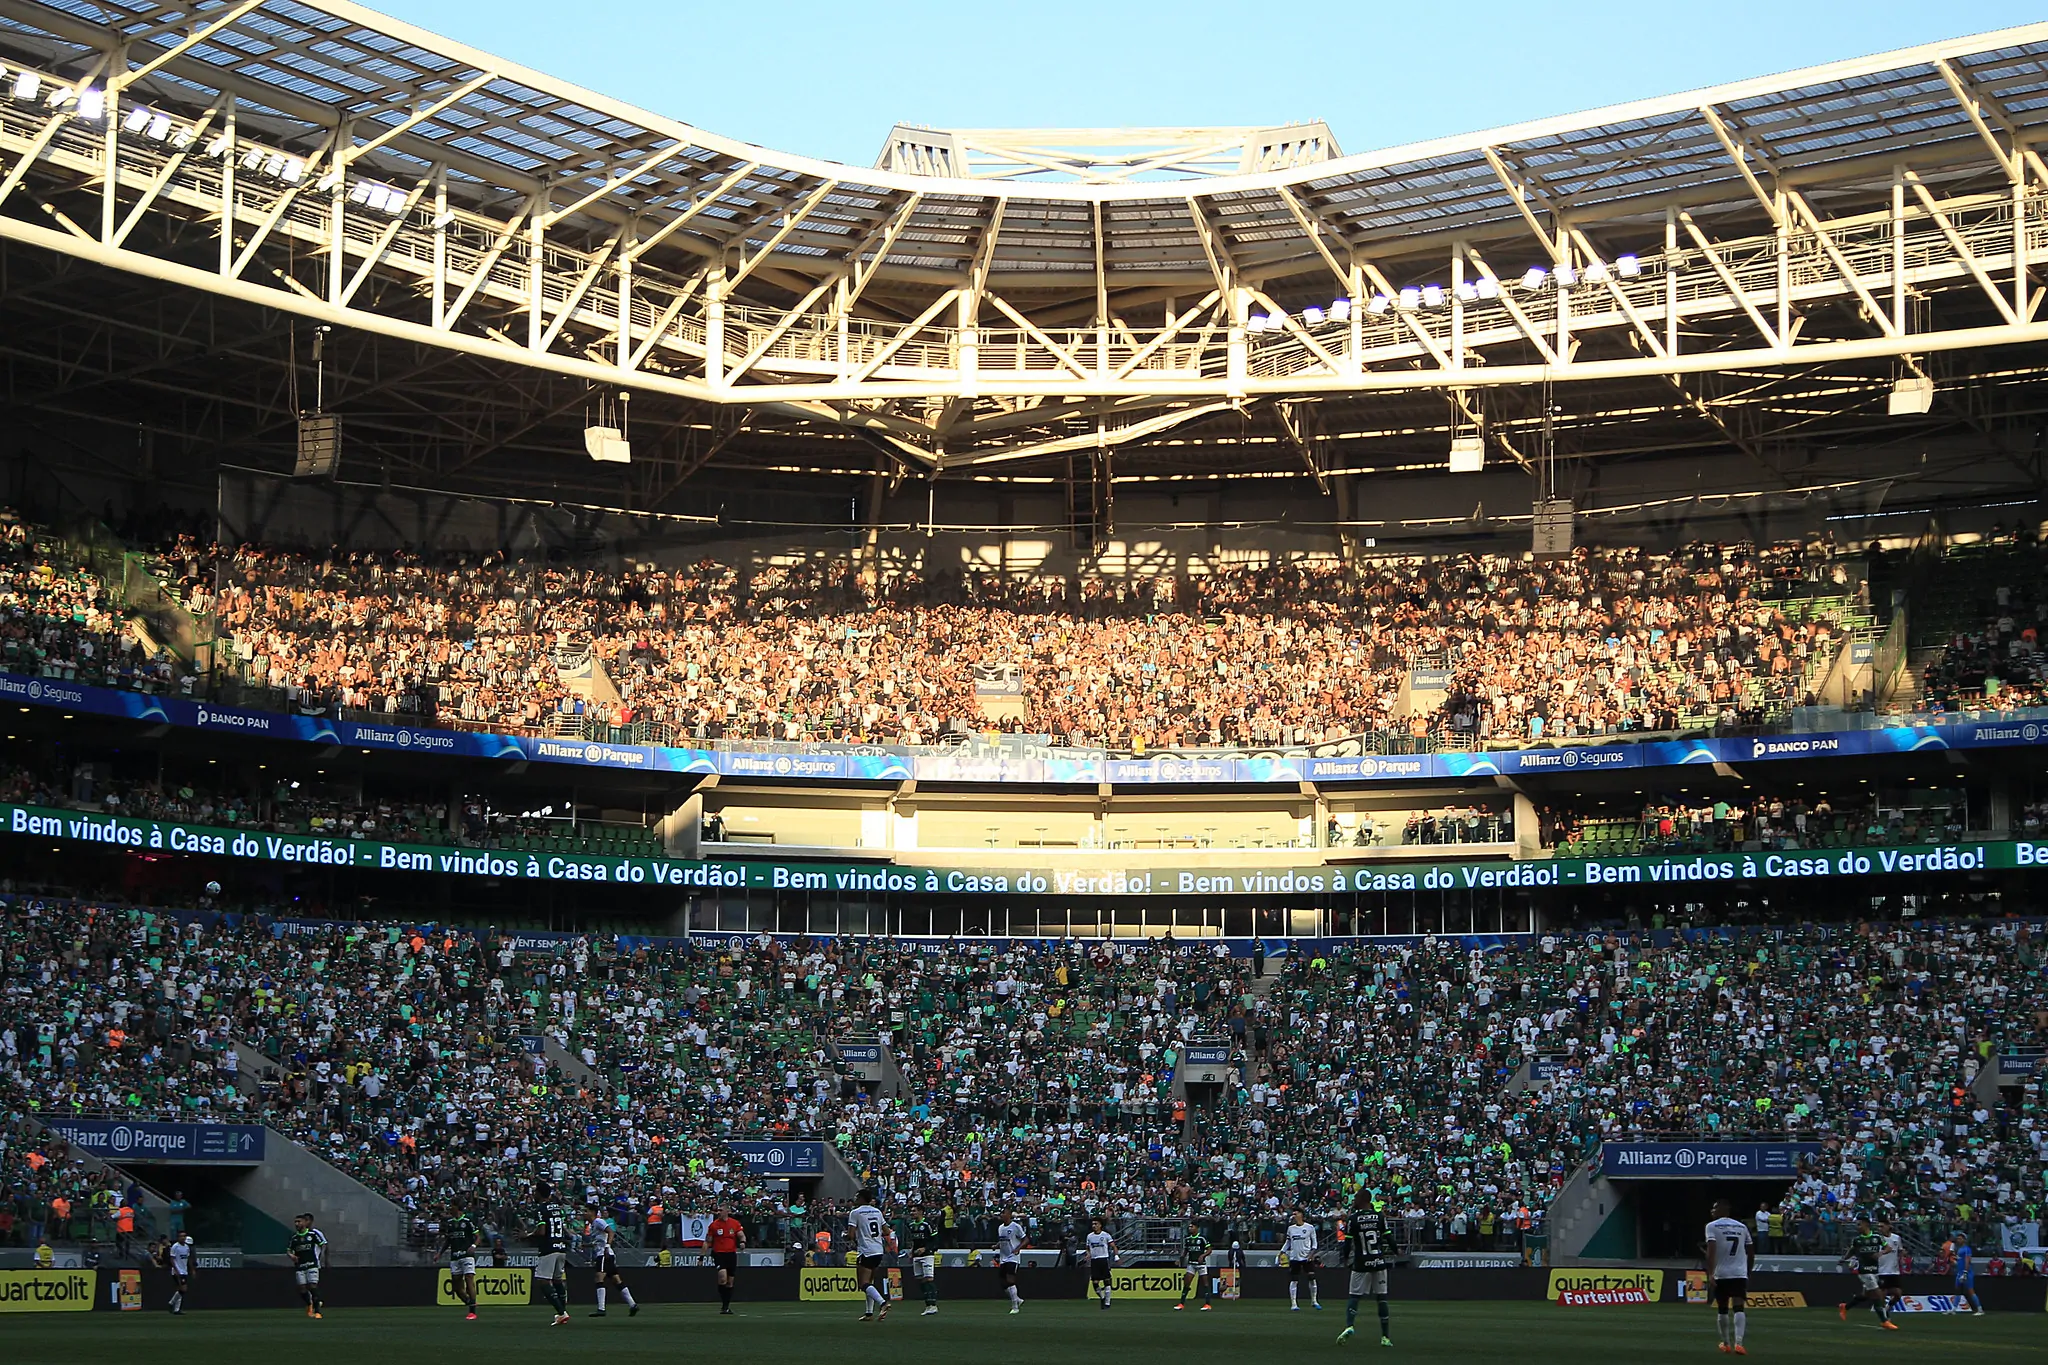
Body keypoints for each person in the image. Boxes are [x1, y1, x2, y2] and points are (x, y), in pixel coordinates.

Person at [1336, 1190, 1394, 1347]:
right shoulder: (1379, 1216)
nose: (1353, 1200)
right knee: (1381, 1298)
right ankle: (1385, 1337)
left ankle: (1349, 1325)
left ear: (1362, 1200)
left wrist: (1345, 1258)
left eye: (1356, 1198)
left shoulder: (1353, 1219)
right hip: (1378, 1261)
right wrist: (1396, 1251)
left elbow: (1348, 1243)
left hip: (1361, 1263)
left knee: (1354, 1296)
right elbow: (1388, 1237)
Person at [1703, 1199, 1752, 1355]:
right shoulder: (1742, 1227)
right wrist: (1747, 1271)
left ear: (1722, 1211)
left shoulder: (1711, 1226)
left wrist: (1710, 1273)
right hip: (1739, 1272)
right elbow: (1751, 1251)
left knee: (1722, 1308)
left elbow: (1711, 1250)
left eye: (1714, 1208)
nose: (1712, 1211)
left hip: (1721, 1273)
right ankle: (1739, 1343)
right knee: (1739, 1307)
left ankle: (1726, 1343)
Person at [1838, 1219, 1897, 1330]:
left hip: (1874, 1270)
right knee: (1878, 1294)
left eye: (1859, 1224)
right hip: (1864, 1271)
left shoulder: (1877, 1238)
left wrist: (1880, 1253)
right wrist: (1843, 1259)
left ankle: (1845, 1307)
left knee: (1866, 1295)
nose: (1857, 1227)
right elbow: (1852, 1250)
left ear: (1866, 1225)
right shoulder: (1857, 1240)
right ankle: (1884, 1321)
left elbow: (1888, 1248)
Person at [848, 1188, 892, 1322]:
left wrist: (848, 1235)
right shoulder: (877, 1211)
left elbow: (850, 1235)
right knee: (869, 1283)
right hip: (878, 1250)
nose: (855, 1199)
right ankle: (869, 1313)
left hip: (866, 1251)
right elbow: (887, 1231)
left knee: (863, 1283)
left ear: (861, 1199)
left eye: (857, 1197)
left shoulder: (855, 1213)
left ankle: (883, 1303)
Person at [534, 1182, 574, 1327]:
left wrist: (526, 1236)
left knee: (543, 1281)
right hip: (561, 1247)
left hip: (548, 1248)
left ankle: (562, 1312)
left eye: (535, 1192)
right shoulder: (557, 1207)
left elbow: (542, 1231)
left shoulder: (541, 1209)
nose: (534, 1194)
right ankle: (562, 1312)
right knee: (557, 1280)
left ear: (539, 1193)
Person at [587, 1206, 638, 1318]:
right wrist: (587, 1245)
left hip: (604, 1254)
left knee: (599, 1278)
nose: (584, 1213)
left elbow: (611, 1231)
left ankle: (601, 1308)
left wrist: (607, 1246)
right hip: (607, 1254)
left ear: (592, 1212)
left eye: (586, 1211)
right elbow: (599, 1240)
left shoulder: (598, 1221)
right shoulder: (593, 1225)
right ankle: (632, 1304)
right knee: (616, 1280)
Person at [443, 1202, 481, 1320]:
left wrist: (474, 1246)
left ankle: (472, 1311)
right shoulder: (449, 1224)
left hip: (467, 1255)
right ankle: (469, 1301)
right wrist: (439, 1253)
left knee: (469, 1278)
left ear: (458, 1209)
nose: (450, 1209)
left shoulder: (467, 1222)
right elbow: (447, 1241)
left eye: (452, 1207)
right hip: (455, 1257)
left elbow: (478, 1237)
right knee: (457, 1287)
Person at [707, 1205, 745, 1316]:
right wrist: (702, 1255)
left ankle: (726, 1306)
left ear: (727, 1211)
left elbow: (741, 1235)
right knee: (722, 1278)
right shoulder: (714, 1225)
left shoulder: (734, 1223)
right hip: (719, 1253)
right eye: (718, 1210)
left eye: (720, 1210)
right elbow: (708, 1241)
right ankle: (724, 1304)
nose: (718, 1212)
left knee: (730, 1282)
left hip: (731, 1254)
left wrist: (742, 1242)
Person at [289, 1213, 328, 1320]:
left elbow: (323, 1244)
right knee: (302, 1288)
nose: (299, 1223)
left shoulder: (315, 1233)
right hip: (301, 1264)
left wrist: (323, 1258)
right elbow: (290, 1249)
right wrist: (292, 1255)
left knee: (312, 1286)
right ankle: (311, 1303)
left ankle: (316, 1309)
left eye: (303, 1221)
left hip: (313, 1263)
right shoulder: (295, 1237)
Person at [1284, 1208, 1322, 1312]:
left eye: (1295, 1214)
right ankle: (1294, 1304)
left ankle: (1314, 1301)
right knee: (1294, 1280)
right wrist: (1282, 1251)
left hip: (1306, 1257)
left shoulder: (1309, 1228)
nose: (1294, 1216)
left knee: (1312, 1277)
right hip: (1294, 1257)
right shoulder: (1291, 1229)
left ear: (1301, 1215)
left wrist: (1311, 1254)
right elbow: (1288, 1242)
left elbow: (1314, 1243)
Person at [909, 1208, 942, 1316]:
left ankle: (933, 1304)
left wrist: (925, 1248)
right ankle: (928, 1304)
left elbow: (936, 1240)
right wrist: (911, 1251)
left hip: (927, 1255)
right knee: (920, 1280)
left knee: (929, 1278)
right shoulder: (911, 1225)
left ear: (920, 1212)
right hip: (916, 1256)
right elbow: (914, 1241)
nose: (912, 1213)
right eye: (911, 1211)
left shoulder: (928, 1224)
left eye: (914, 1211)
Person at [995, 1209, 1028, 1314]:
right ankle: (1017, 1299)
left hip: (1013, 1257)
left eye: (1003, 1213)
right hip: (1003, 1258)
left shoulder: (1015, 1226)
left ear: (1009, 1215)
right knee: (1003, 1283)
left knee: (1010, 1280)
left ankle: (1015, 1306)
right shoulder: (1000, 1228)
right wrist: (996, 1245)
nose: (1002, 1215)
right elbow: (1002, 1241)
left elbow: (1026, 1239)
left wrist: (1018, 1248)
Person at [1176, 1222, 1211, 1311]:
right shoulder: (1187, 1239)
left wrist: (1202, 1256)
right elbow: (1185, 1251)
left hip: (1201, 1265)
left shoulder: (1202, 1238)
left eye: (1192, 1227)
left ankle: (1207, 1304)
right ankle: (1181, 1304)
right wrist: (1180, 1259)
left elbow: (1209, 1250)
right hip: (1191, 1264)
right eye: (1189, 1227)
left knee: (1205, 1284)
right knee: (1187, 1283)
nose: (1190, 1228)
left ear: (1197, 1228)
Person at [1085, 1216, 1115, 1310]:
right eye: (1093, 1224)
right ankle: (1102, 1297)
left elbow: (1113, 1246)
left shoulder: (1106, 1235)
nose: (1094, 1226)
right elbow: (1087, 1248)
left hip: (1103, 1259)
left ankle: (1107, 1302)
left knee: (1107, 1281)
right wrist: (1088, 1254)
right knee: (1095, 1282)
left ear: (1100, 1225)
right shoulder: (1089, 1236)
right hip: (1094, 1260)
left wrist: (1116, 1256)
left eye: (1096, 1224)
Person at [1951, 1233, 1985, 1315]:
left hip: (1967, 1273)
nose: (1958, 1240)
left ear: (1964, 1240)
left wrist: (1965, 1272)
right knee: (1957, 1291)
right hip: (1959, 1273)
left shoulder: (1967, 1249)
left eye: (1960, 1238)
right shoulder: (1959, 1250)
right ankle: (1953, 1309)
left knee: (1970, 1291)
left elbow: (1967, 1261)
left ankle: (1980, 1309)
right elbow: (1960, 1261)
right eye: (1958, 1238)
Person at [1876, 1219, 1905, 1314]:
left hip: (1894, 1270)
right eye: (1879, 1226)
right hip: (1882, 1270)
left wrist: (1902, 1258)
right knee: (1882, 1294)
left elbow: (1900, 1250)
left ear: (1888, 1226)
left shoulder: (1896, 1238)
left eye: (1882, 1226)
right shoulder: (1877, 1239)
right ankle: (1884, 1316)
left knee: (1898, 1293)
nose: (1880, 1228)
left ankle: (1888, 1307)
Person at [167, 1232, 192, 1315]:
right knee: (183, 1289)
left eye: (184, 1236)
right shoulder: (175, 1246)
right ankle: (171, 1303)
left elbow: (187, 1258)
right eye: (181, 1236)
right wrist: (176, 1269)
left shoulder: (186, 1247)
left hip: (184, 1270)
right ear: (178, 1237)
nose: (183, 1238)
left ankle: (176, 1309)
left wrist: (191, 1269)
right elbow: (172, 1259)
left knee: (180, 1290)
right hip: (178, 1271)